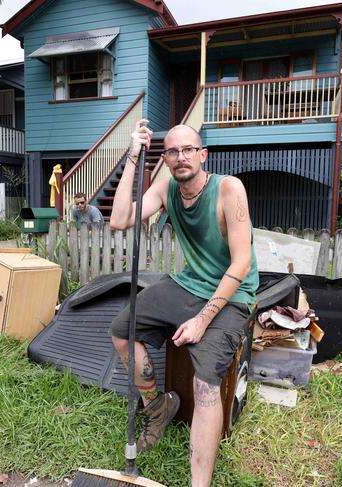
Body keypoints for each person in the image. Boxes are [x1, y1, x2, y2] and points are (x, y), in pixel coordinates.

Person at [108, 120, 258, 487]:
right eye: (171, 151)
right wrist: (131, 156)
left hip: (233, 292)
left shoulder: (228, 189)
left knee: (205, 383)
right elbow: (119, 220)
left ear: (202, 155)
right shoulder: (166, 188)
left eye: (188, 149)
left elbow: (241, 262)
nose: (180, 157)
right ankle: (158, 407)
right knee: (121, 331)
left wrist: (203, 321)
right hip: (190, 282)